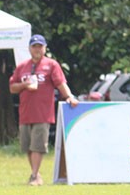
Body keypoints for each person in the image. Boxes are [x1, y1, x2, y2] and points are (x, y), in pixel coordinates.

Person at [9, 34, 79, 186]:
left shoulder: (51, 65)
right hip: (25, 112)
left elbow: (60, 83)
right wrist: (24, 85)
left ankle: (34, 175)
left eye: (40, 47)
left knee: (38, 145)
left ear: (45, 48)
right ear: (29, 49)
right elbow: (12, 87)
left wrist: (69, 97)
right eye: (34, 47)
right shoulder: (22, 67)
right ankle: (36, 174)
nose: (37, 50)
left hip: (43, 112)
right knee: (27, 146)